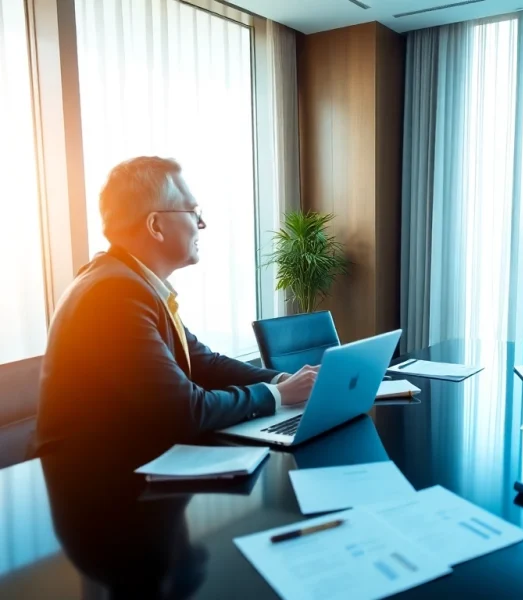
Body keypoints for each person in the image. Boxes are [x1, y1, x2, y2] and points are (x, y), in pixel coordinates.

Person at [37, 157, 317, 452]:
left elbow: (203, 363)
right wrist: (277, 394)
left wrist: (286, 379)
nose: (202, 224)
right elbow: (185, 410)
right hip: (94, 480)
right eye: (194, 211)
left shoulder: (129, 281)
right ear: (155, 224)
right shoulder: (115, 294)